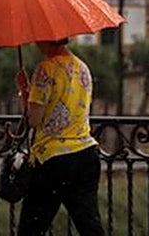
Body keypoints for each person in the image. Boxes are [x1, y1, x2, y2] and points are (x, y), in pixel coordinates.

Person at [15, 38, 105, 236]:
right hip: (86, 154)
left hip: (53, 159)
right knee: (89, 225)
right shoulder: (82, 68)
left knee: (31, 228)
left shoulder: (45, 69)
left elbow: (33, 119)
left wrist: (24, 94)